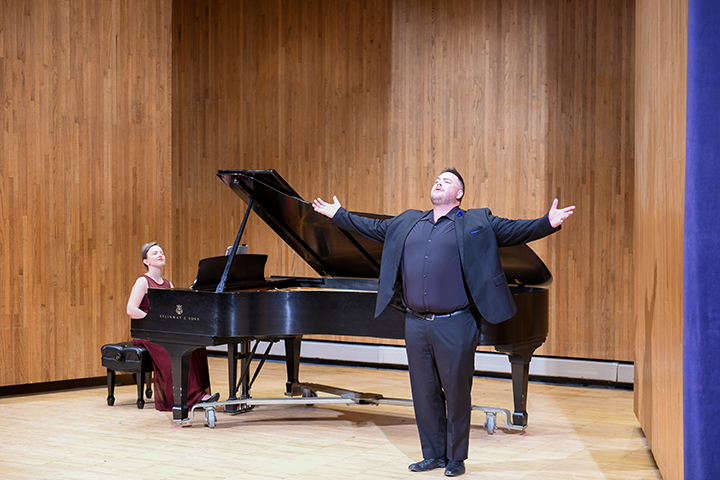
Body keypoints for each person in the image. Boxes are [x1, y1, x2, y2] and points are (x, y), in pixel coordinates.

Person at [313, 167, 574, 477]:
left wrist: (547, 222)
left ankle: (456, 458)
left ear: (459, 194)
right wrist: (339, 214)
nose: (439, 182)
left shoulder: (477, 221)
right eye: (437, 179)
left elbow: (516, 231)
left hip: (456, 323)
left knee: (456, 392)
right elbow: (370, 227)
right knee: (423, 392)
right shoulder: (408, 221)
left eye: (447, 181)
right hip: (415, 323)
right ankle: (433, 455)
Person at [127, 242, 219, 411]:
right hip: (146, 331)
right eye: (155, 253)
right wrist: (153, 320)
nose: (160, 254)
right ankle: (191, 397)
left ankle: (198, 393)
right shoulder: (143, 281)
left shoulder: (168, 284)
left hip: (163, 330)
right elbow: (131, 309)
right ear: (146, 261)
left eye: (161, 252)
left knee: (196, 346)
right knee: (171, 350)